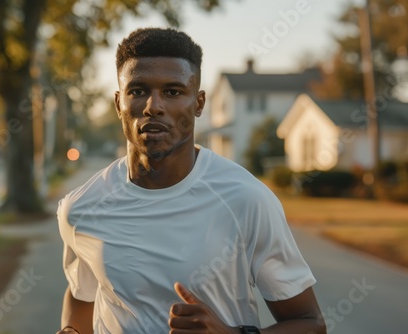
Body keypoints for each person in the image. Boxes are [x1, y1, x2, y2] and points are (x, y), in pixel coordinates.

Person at [56, 27, 326, 334]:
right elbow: (82, 295)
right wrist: (70, 330)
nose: (153, 106)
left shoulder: (246, 200)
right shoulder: (81, 208)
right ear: (119, 103)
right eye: (138, 90)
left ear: (198, 104)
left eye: (172, 92)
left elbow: (311, 324)